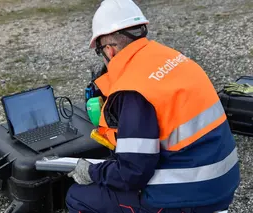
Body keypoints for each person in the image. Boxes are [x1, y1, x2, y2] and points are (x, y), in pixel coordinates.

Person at [66, 0, 241, 212]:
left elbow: (132, 174)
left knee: (78, 196)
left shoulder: (133, 90)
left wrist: (92, 172)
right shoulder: (172, 58)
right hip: (221, 181)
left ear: (109, 50)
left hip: (192, 198)